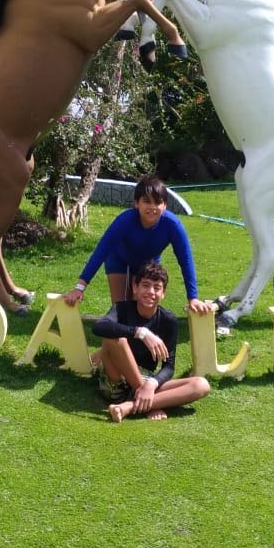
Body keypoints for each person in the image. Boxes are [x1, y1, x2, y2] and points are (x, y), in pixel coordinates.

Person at [63, 173, 212, 313]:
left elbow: (186, 260)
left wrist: (193, 298)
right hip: (119, 260)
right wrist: (79, 288)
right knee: (121, 310)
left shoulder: (173, 225)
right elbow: (101, 252)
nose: (152, 207)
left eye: (158, 202)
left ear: (165, 205)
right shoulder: (125, 220)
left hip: (148, 264)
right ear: (137, 203)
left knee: (144, 308)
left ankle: (143, 330)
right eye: (146, 201)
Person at [92, 261, 210, 423]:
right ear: (135, 288)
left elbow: (169, 366)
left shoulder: (169, 321)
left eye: (157, 288)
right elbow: (99, 327)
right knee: (115, 338)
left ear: (163, 293)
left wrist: (151, 385)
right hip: (115, 382)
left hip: (145, 379)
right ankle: (149, 403)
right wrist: (141, 332)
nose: (151, 292)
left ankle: (129, 406)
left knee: (201, 385)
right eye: (145, 285)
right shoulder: (121, 309)